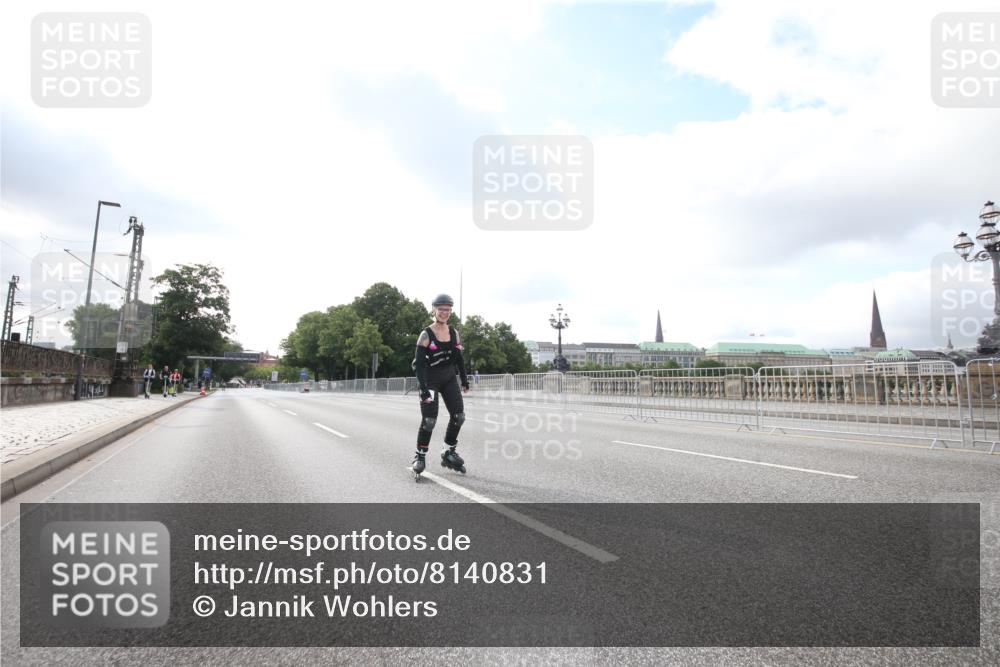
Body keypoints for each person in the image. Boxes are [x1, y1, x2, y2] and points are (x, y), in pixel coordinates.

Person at [411, 293, 470, 476]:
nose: (444, 312)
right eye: (441, 309)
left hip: (449, 378)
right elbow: (419, 365)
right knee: (429, 421)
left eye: (448, 309)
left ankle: (448, 451)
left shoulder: (454, 333)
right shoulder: (425, 335)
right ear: (434, 310)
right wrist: (422, 388)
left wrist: (465, 380)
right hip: (430, 379)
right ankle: (420, 456)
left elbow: (459, 359)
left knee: (458, 416)